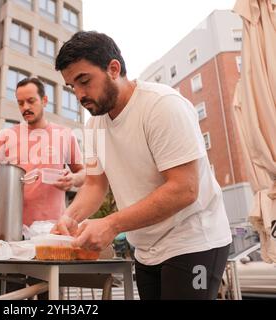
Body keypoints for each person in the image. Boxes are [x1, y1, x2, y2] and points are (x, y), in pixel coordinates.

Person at [52, 31, 232, 300]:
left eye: (84, 80)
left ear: (113, 69)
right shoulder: (93, 127)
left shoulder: (161, 106)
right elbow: (94, 184)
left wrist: (111, 224)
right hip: (146, 249)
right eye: (72, 87)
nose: (78, 94)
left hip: (194, 242)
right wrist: (70, 217)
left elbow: (185, 189)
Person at [0, 77, 85, 227]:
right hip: (12, 225)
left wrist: (73, 179)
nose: (25, 107)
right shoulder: (6, 135)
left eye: (31, 101)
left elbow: (84, 173)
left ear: (44, 100)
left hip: (53, 226)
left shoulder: (65, 134)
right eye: (20, 103)